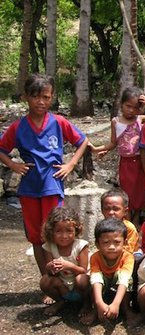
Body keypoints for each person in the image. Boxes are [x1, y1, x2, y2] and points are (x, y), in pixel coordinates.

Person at [0, 74, 88, 282]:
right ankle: (47, 279)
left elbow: (82, 141)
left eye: (46, 97)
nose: (41, 102)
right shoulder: (18, 126)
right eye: (36, 97)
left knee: (56, 232)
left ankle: (64, 281)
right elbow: (2, 148)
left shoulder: (58, 122)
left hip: (52, 184)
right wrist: (13, 164)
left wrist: (71, 164)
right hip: (29, 187)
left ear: (52, 98)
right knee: (36, 236)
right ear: (25, 97)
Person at [90, 86, 145, 226]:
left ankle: (136, 223)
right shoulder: (116, 122)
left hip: (140, 163)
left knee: (141, 194)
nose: (131, 110)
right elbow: (113, 143)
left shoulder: (140, 119)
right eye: (128, 106)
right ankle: (127, 223)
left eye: (135, 107)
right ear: (121, 104)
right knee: (127, 194)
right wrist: (96, 149)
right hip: (125, 164)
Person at [39, 208, 93, 324]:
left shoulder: (81, 246)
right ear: (51, 231)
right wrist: (51, 266)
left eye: (69, 231)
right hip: (62, 286)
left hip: (79, 287)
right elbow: (49, 272)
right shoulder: (49, 246)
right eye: (58, 231)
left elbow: (83, 270)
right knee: (45, 280)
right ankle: (60, 301)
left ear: (76, 231)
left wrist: (69, 266)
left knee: (82, 279)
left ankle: (87, 304)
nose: (64, 236)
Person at [90, 218, 135, 323]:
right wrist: (99, 303)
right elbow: (96, 279)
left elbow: (124, 280)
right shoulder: (95, 257)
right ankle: (95, 310)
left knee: (128, 280)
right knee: (90, 281)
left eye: (117, 242)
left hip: (119, 286)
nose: (111, 247)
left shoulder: (128, 257)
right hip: (103, 286)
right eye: (106, 242)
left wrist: (116, 304)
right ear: (97, 244)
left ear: (125, 242)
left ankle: (126, 308)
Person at [100, 189, 140, 255]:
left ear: (125, 211)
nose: (111, 212)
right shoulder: (101, 228)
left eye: (116, 209)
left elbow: (128, 250)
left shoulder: (129, 228)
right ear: (102, 210)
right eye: (107, 209)